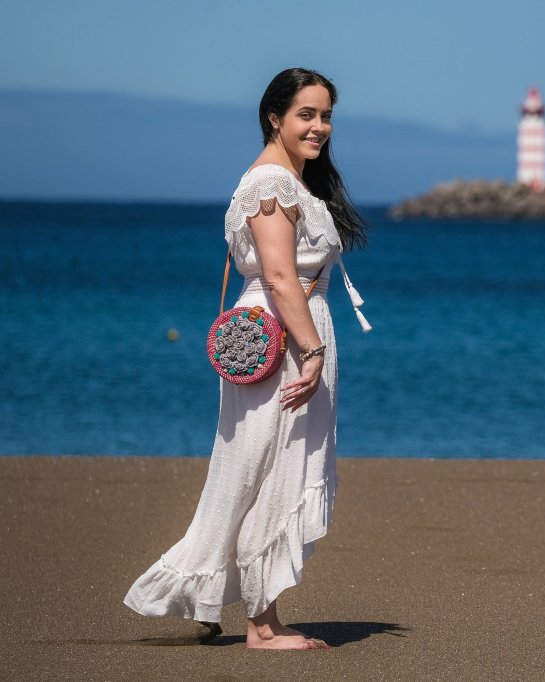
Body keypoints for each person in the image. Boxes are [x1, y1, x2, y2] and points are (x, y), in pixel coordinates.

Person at [124, 67, 370, 651]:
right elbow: (280, 276)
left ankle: (231, 600)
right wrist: (312, 351)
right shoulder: (271, 183)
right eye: (306, 115)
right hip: (284, 339)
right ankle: (261, 625)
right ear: (274, 117)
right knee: (269, 469)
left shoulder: (289, 180)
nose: (319, 127)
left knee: (259, 467)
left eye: (326, 115)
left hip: (286, 332)